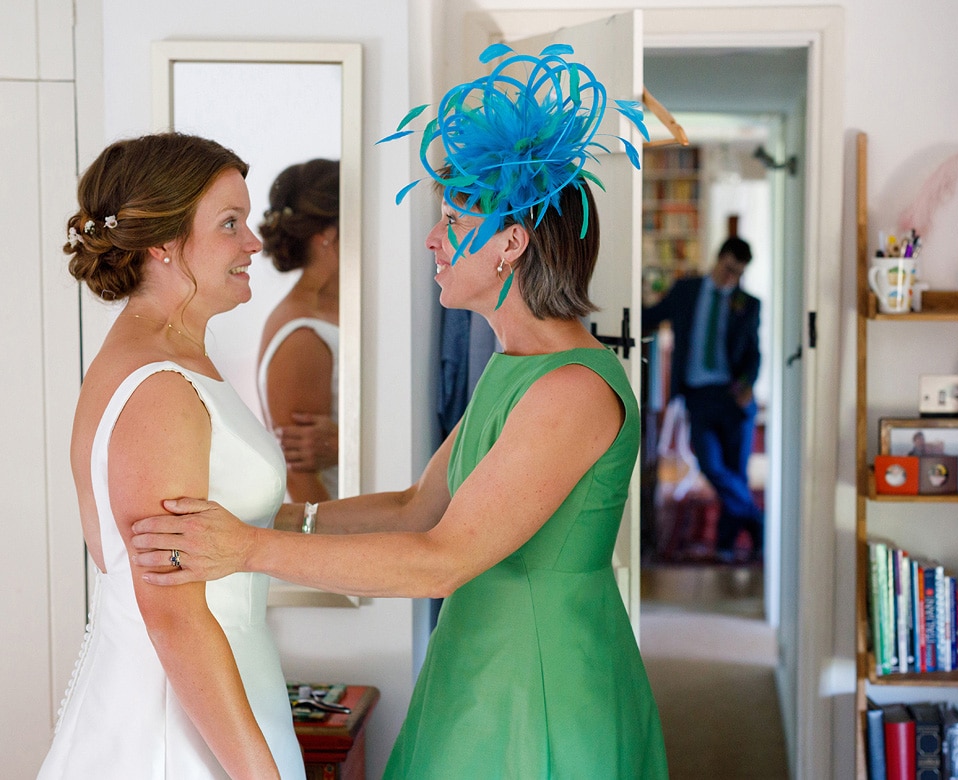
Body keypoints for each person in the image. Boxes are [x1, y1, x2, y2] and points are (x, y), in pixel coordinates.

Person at [129, 44, 668, 778]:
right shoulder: (517, 369)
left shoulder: (570, 391)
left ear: (512, 241)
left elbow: (442, 560)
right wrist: (276, 519)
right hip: (482, 660)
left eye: (452, 219)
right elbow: (421, 507)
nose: (432, 239)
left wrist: (247, 549)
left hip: (541, 679)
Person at [39, 133, 304, 778]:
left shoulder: (175, 359)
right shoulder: (158, 385)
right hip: (174, 722)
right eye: (229, 224)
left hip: (213, 689)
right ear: (162, 242)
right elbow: (171, 607)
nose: (254, 243)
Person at [642, 236, 764, 561]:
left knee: (735, 473)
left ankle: (726, 544)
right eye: (728, 269)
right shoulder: (687, 290)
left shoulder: (748, 303)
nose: (730, 278)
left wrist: (745, 386)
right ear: (718, 258)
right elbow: (651, 316)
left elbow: (753, 353)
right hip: (698, 395)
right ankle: (758, 522)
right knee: (710, 464)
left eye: (738, 274)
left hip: (734, 398)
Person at [256, 158, 341, 502]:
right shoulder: (302, 336)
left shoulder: (341, 310)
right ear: (329, 235)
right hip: (341, 528)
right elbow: (299, 478)